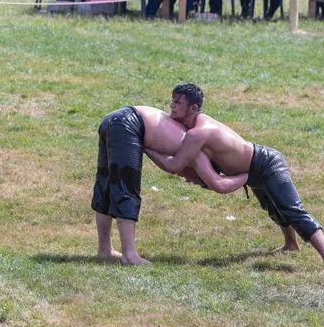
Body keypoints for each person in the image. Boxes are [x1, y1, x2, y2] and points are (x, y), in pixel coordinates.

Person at [146, 84, 324, 274]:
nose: (171, 105)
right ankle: (291, 244)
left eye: (177, 103)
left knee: (292, 210)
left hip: (266, 163)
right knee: (273, 207)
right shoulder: (193, 124)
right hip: (254, 167)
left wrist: (146, 147)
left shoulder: (199, 132)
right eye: (172, 100)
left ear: (193, 108)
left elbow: (173, 166)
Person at [92, 105, 248, 265]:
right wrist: (248, 175)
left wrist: (146, 148)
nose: (190, 181)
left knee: (107, 184)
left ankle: (105, 250)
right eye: (198, 182)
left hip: (112, 118)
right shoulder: (197, 156)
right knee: (126, 189)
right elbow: (219, 185)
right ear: (201, 174)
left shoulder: (185, 147)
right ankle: (129, 255)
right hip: (128, 123)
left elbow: (167, 163)